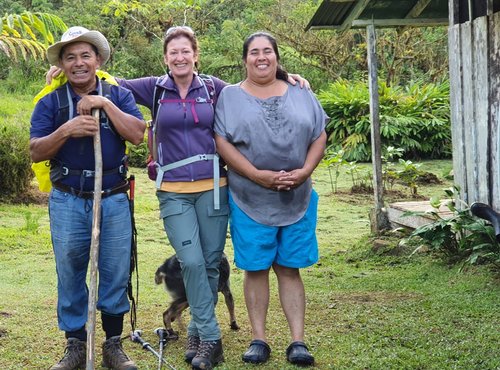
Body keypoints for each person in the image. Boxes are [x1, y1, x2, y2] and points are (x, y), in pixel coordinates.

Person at [45, 25, 310, 370]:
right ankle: (211, 339)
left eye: (186, 51)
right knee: (192, 261)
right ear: (165, 59)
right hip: (174, 191)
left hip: (215, 188)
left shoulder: (215, 88)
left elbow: (254, 88)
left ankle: (198, 332)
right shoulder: (155, 88)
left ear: (196, 55)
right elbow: (106, 81)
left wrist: (289, 77)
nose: (180, 57)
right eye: (173, 52)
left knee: (211, 262)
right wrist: (60, 71)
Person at [30, 26, 145, 370]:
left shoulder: (118, 94)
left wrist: (106, 104)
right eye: (70, 57)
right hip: (68, 199)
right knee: (70, 271)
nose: (79, 63)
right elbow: (36, 151)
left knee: (114, 271)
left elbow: (138, 135)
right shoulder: (49, 101)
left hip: (112, 197)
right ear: (62, 65)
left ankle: (112, 345)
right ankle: (76, 347)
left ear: (98, 60)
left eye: (85, 55)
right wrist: (67, 130)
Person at [214, 32, 328, 367]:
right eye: (254, 52)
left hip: (298, 198)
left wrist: (306, 170)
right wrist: (256, 175)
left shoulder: (301, 90)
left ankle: (298, 341)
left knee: (289, 268)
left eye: (267, 52)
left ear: (277, 57)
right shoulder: (229, 96)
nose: (261, 57)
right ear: (245, 58)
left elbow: (319, 134)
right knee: (256, 268)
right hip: (249, 199)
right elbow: (222, 141)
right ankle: (258, 339)